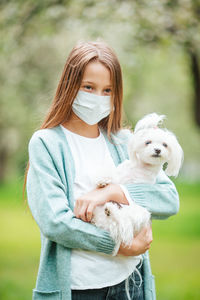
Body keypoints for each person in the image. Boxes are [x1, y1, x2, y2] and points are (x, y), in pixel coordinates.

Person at [25, 40, 179, 300]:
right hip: (80, 289)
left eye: (107, 90)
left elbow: (168, 199)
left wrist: (113, 192)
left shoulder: (124, 141)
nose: (98, 98)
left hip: (132, 286)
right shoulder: (46, 143)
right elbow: (56, 223)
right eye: (89, 87)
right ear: (69, 86)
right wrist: (119, 244)